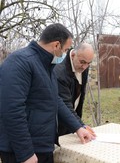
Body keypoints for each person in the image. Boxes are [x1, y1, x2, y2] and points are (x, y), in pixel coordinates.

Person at [0, 23, 95, 163]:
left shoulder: (46, 66)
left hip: (42, 146)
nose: (65, 54)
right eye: (66, 49)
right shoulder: (20, 62)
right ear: (56, 45)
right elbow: (12, 110)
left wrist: (78, 127)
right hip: (21, 151)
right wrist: (26, 153)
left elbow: (55, 100)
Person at [54, 43, 95, 136]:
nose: (85, 67)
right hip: (58, 124)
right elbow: (65, 104)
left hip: (73, 121)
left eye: (88, 63)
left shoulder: (83, 66)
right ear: (73, 55)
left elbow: (80, 96)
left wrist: (79, 124)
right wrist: (80, 126)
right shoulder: (60, 72)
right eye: (83, 62)